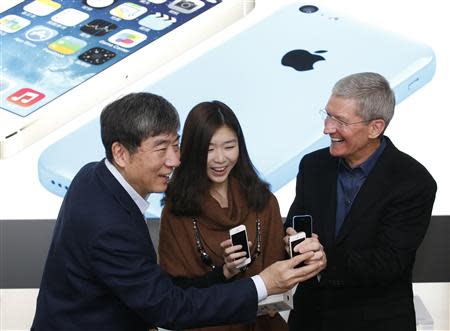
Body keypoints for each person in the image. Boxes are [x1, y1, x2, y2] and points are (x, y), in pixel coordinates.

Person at [31, 92, 326, 331]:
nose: (174, 160)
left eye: (176, 144)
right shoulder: (110, 225)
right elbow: (168, 307)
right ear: (120, 153)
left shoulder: (92, 176)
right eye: (161, 149)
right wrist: (263, 283)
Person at [285, 72, 437, 331]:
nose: (327, 128)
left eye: (340, 120)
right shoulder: (313, 166)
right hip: (310, 320)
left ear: (375, 127)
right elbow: (296, 225)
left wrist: (325, 259)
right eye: (327, 114)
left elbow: (389, 261)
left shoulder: (413, 181)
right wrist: (291, 241)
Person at [159, 100, 310, 331]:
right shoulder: (176, 211)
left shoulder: (263, 201)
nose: (220, 159)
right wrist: (224, 272)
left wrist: (301, 253)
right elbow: (175, 294)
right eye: (209, 149)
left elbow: (281, 276)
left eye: (229, 146)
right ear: (192, 151)